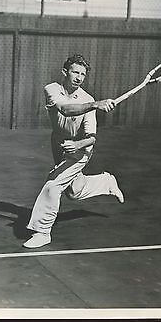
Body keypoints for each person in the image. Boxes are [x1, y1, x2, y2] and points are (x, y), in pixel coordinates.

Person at [23, 54, 124, 249]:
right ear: (65, 72)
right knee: (74, 190)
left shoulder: (88, 99)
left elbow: (92, 137)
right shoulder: (52, 89)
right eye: (75, 72)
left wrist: (77, 145)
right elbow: (66, 109)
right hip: (59, 143)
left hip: (80, 149)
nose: (78, 77)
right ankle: (106, 182)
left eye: (83, 74)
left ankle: (42, 232)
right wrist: (96, 105)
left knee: (53, 184)